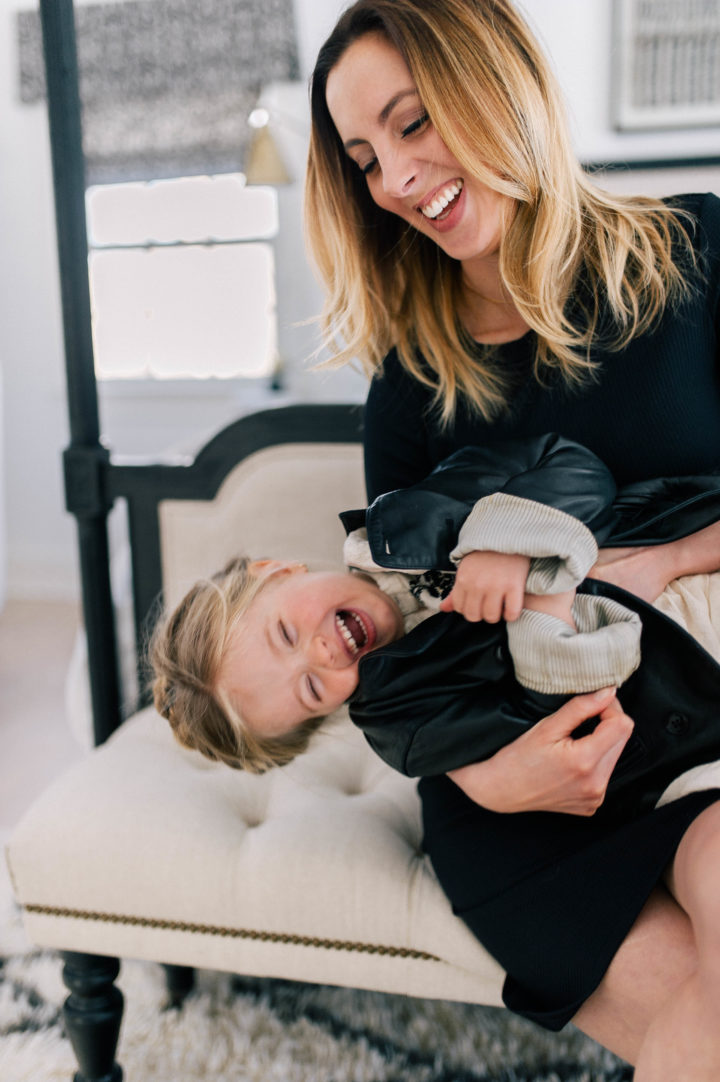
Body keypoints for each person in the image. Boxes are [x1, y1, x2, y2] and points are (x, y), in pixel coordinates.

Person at [303, 0, 720, 1075]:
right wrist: (489, 778)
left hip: (699, 729)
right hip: (521, 790)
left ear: (497, 83)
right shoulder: (408, 387)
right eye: (363, 157)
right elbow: (419, 644)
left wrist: (671, 558)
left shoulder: (697, 257)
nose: (393, 179)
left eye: (411, 123)